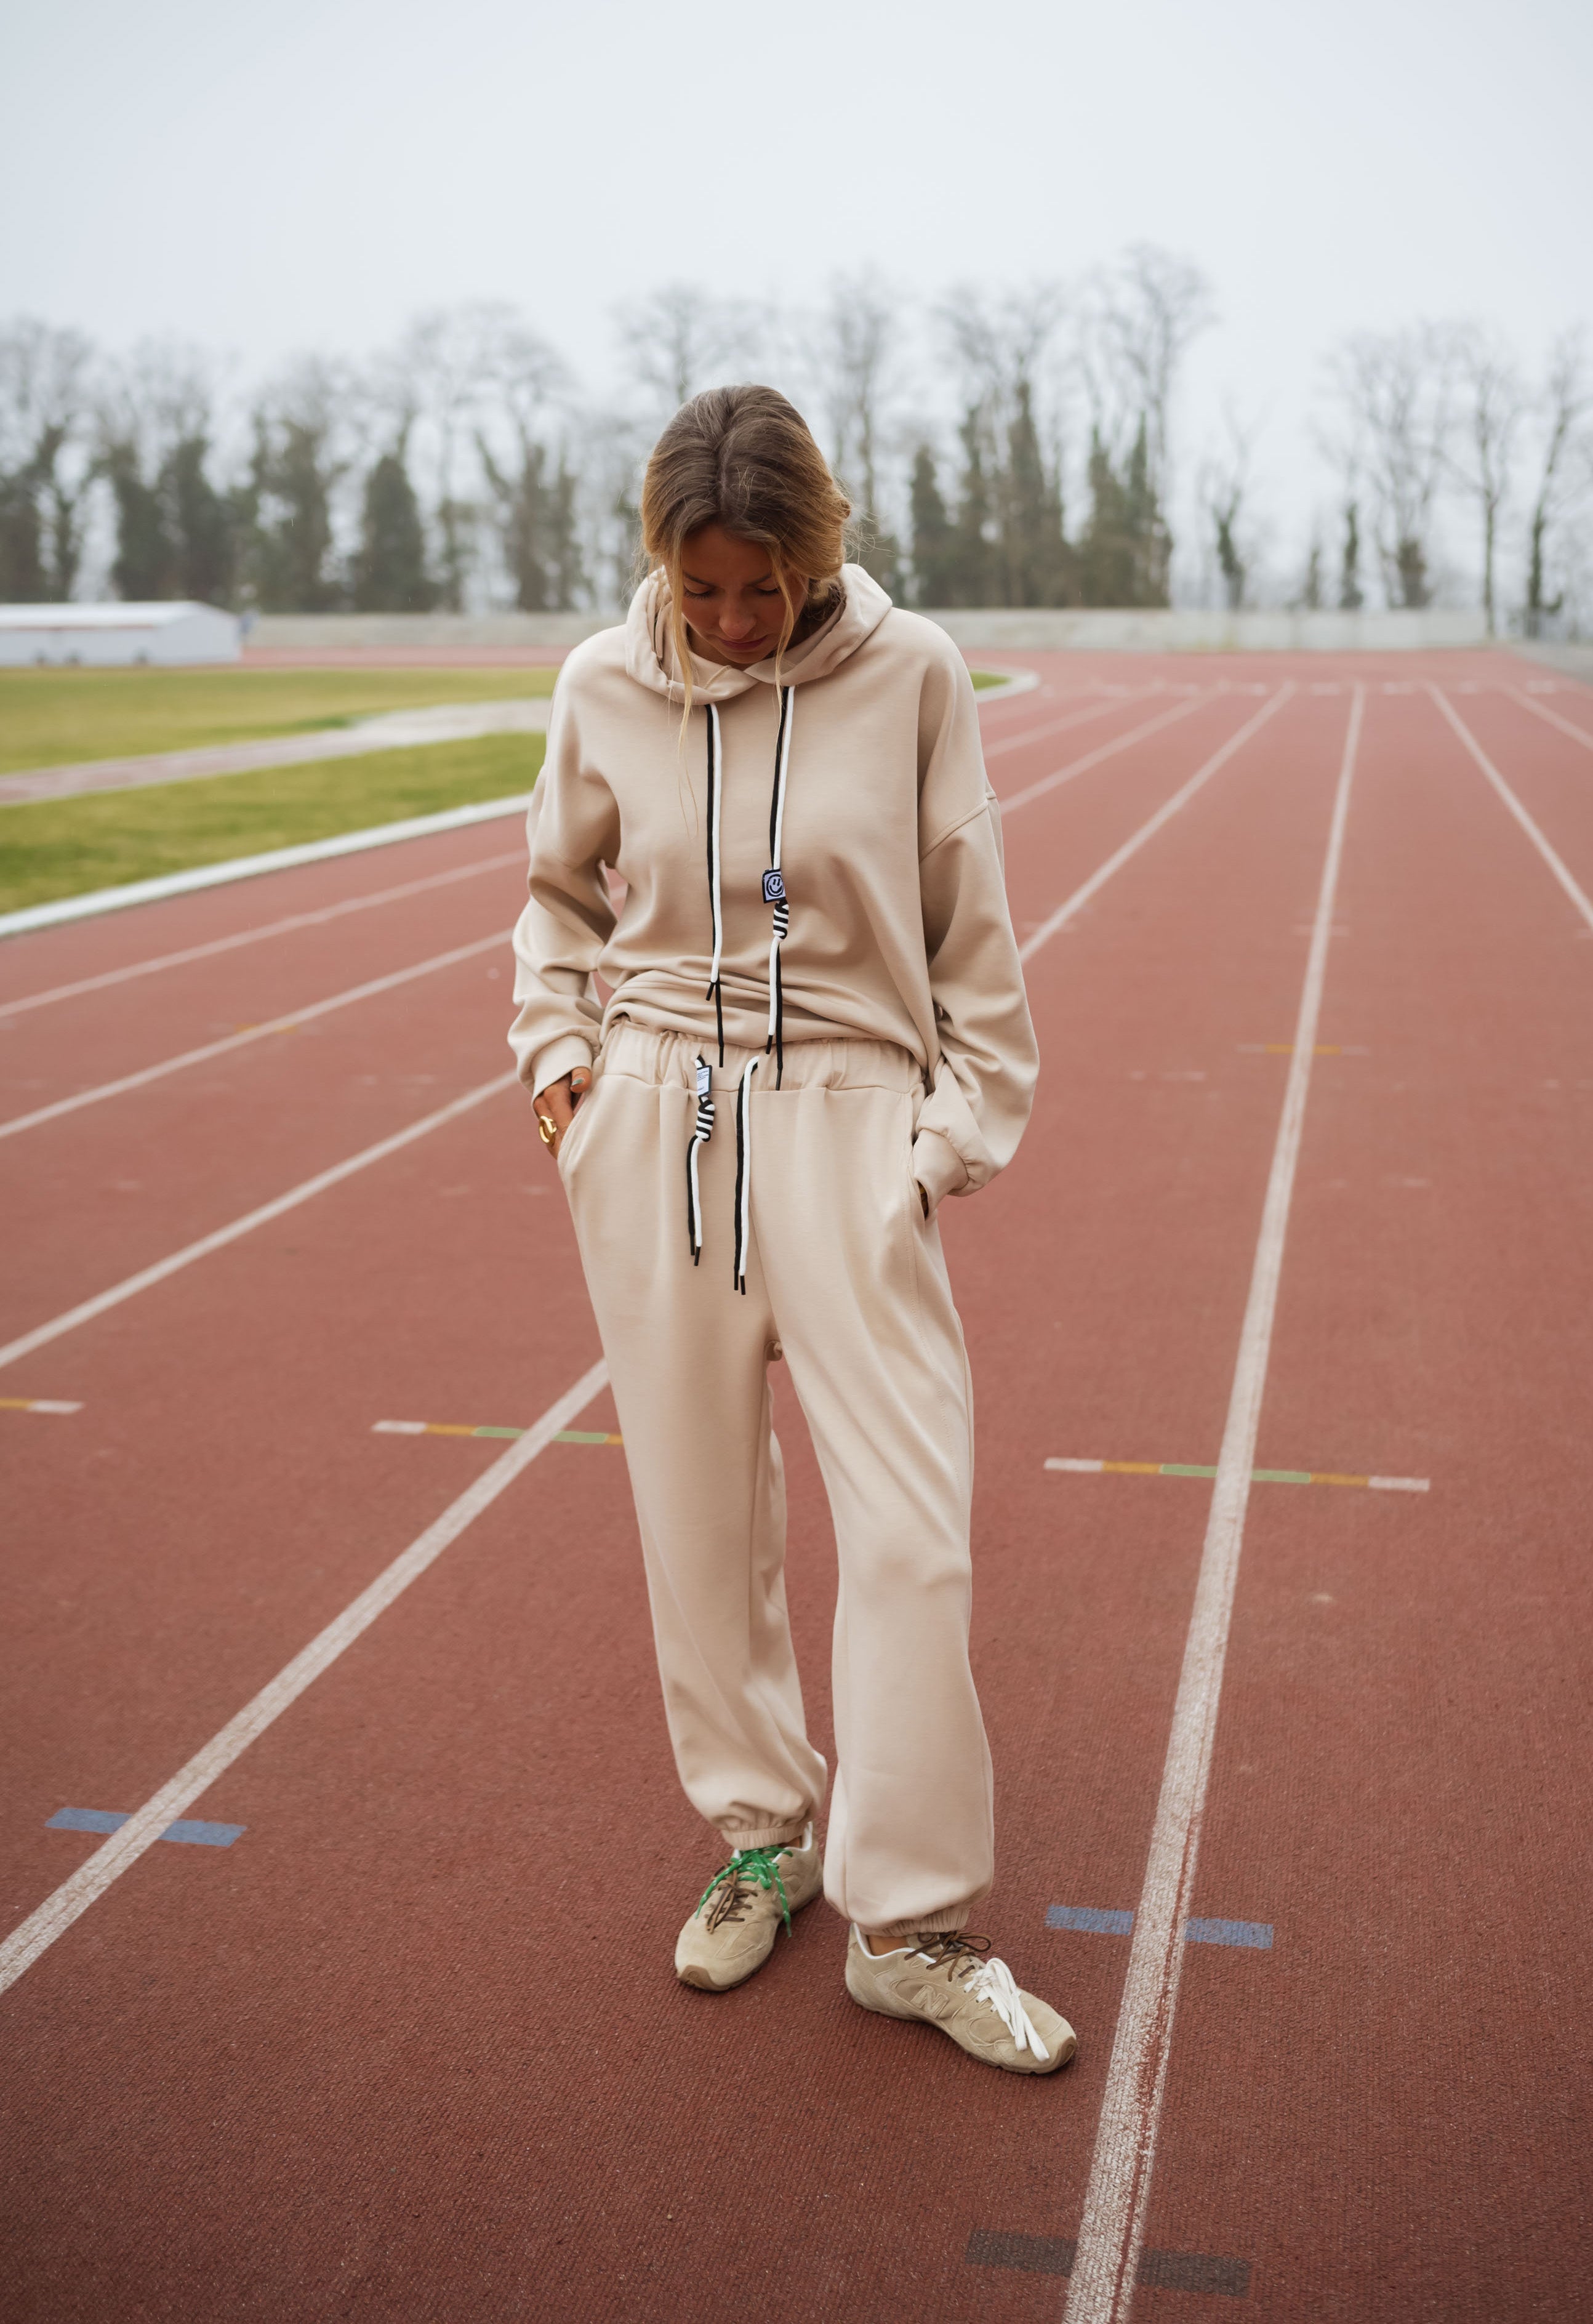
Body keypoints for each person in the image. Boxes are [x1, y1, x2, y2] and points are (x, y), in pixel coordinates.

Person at [510, 385, 1074, 2076]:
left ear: (817, 562)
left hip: (846, 1125)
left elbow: (972, 927)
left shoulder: (910, 675)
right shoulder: (601, 684)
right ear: (662, 571)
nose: (737, 622)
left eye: (764, 588)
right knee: (698, 1524)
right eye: (705, 593)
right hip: (657, 1126)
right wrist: (564, 1074)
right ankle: (761, 1840)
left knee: (910, 1535)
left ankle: (910, 1924)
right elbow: (552, 902)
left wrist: (945, 1138)